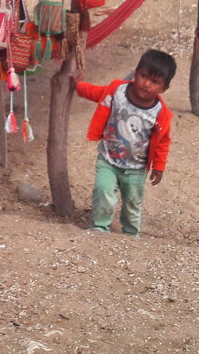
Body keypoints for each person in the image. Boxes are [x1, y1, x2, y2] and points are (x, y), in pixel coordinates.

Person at [72, 49, 176, 236]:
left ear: (164, 88)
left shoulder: (161, 114)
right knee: (103, 191)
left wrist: (159, 166)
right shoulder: (117, 91)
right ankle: (100, 227)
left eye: (155, 82)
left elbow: (163, 142)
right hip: (108, 159)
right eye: (143, 76)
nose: (146, 84)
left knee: (132, 202)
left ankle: (130, 234)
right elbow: (97, 93)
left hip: (136, 168)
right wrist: (77, 86)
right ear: (135, 73)